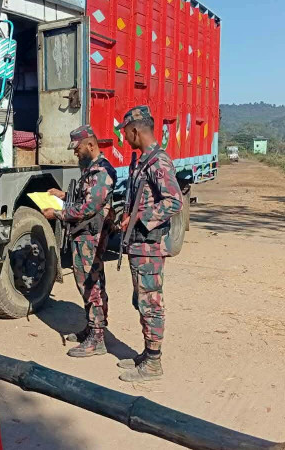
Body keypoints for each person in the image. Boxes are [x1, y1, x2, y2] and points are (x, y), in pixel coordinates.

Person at [116, 106, 182, 382]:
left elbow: (174, 201)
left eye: (125, 133)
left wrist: (139, 218)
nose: (124, 138)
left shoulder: (158, 162)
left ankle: (153, 363)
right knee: (141, 300)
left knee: (151, 302)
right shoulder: (142, 161)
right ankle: (147, 353)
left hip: (149, 248)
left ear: (135, 130)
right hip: (138, 245)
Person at [42, 125, 117, 357]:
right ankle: (92, 328)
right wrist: (63, 196)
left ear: (91, 145)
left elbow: (89, 207)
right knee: (86, 282)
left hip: (91, 237)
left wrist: (58, 213)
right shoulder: (91, 169)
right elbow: (85, 197)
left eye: (78, 148)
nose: (75, 152)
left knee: (91, 284)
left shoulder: (101, 172)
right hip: (84, 234)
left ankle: (97, 337)